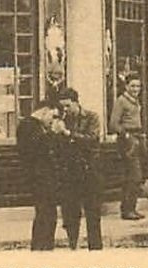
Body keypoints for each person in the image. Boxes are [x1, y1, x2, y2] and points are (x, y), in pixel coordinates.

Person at [55, 87, 104, 250]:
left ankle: (95, 249)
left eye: (68, 106)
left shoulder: (91, 117)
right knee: (70, 214)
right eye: (63, 107)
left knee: (93, 214)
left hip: (89, 170)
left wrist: (68, 134)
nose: (66, 110)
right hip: (70, 172)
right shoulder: (63, 120)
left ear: (76, 103)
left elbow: (92, 139)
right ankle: (72, 246)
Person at [15, 97, 67, 250]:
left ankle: (45, 247)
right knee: (45, 215)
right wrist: (53, 133)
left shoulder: (36, 126)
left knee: (49, 215)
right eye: (53, 116)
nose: (53, 120)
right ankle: (40, 248)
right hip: (38, 178)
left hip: (45, 178)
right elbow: (36, 149)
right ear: (45, 111)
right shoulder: (27, 126)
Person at [110, 74, 146, 220]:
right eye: (132, 86)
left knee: (132, 176)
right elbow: (113, 124)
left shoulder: (135, 101)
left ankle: (129, 208)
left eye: (138, 86)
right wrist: (126, 136)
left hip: (137, 137)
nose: (135, 89)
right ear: (126, 86)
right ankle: (128, 210)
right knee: (135, 176)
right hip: (128, 140)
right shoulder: (121, 101)